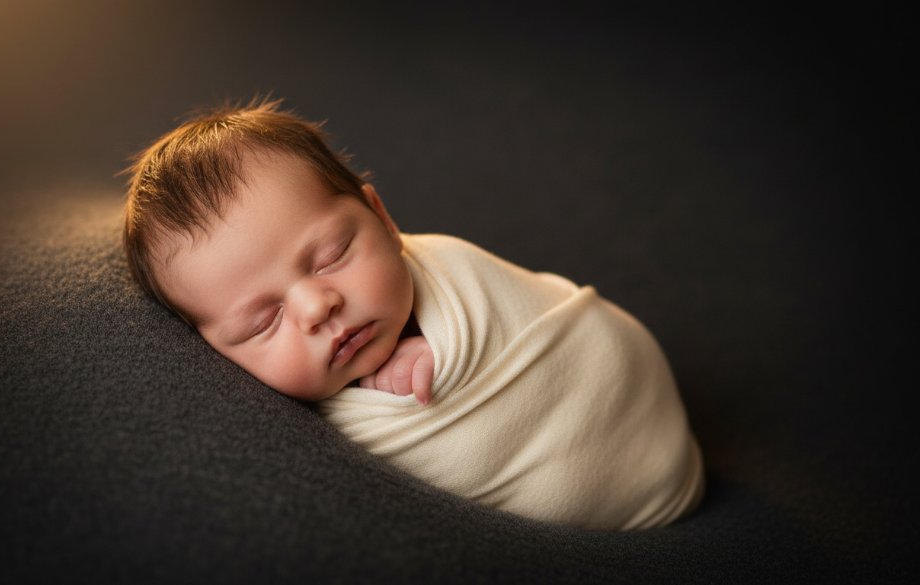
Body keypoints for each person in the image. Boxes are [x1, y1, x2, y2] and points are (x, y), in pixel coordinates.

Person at [123, 99, 704, 529]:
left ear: (382, 217)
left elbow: (569, 343)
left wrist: (434, 349)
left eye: (331, 256)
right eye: (262, 322)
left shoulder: (452, 271)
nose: (315, 306)